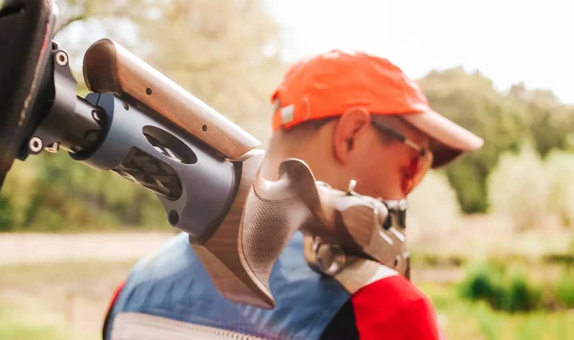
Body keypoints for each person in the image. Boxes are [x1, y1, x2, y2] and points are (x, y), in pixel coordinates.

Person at [102, 50, 483, 340]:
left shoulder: (135, 285)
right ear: (350, 135)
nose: (409, 189)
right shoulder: (386, 308)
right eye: (413, 163)